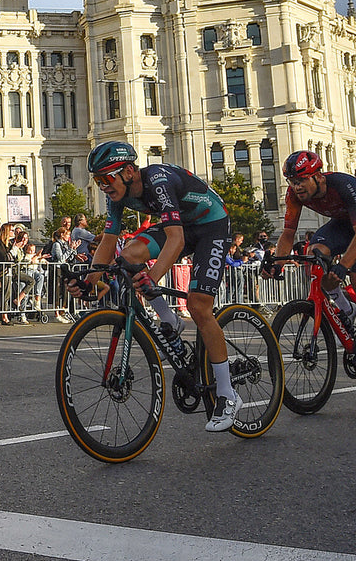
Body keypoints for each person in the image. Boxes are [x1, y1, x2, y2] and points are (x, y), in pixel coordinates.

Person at [71, 142, 240, 432]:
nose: (103, 187)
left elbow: (175, 240)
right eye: (97, 181)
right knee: (128, 255)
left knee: (199, 306)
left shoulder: (157, 181)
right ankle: (169, 319)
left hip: (210, 225)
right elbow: (109, 242)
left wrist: (155, 278)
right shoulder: (117, 196)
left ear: (127, 171)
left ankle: (227, 394)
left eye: (106, 179)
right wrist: (89, 281)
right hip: (182, 227)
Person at [265, 150, 356, 390]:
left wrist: (343, 266)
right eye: (292, 181)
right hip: (343, 224)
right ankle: (346, 308)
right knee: (315, 253)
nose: (297, 187)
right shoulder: (294, 195)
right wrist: (277, 263)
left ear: (319, 177)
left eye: (302, 180)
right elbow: (287, 234)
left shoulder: (344, 185)